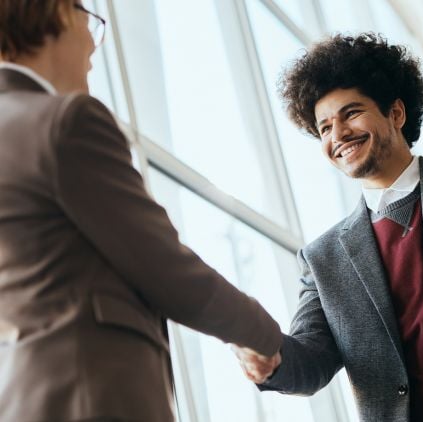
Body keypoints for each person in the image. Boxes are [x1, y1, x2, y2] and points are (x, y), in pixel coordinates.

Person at [0, 1, 282, 421]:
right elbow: (167, 268)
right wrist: (262, 333)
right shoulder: (65, 123)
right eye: (92, 25)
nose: (94, 54)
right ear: (61, 13)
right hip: (92, 397)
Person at [233, 33, 423, 422]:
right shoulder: (323, 258)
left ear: (396, 113)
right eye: (324, 127)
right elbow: (312, 359)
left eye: (351, 113)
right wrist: (271, 359)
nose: (337, 134)